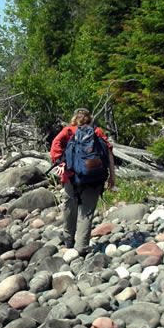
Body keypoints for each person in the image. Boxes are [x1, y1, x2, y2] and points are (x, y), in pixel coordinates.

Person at [50, 108, 115, 255]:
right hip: (94, 178)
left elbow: (55, 145)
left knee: (69, 209)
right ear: (90, 118)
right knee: (86, 212)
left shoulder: (68, 131)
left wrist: (60, 163)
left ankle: (68, 241)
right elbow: (109, 153)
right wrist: (112, 177)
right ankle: (81, 247)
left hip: (70, 177)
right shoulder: (97, 131)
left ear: (74, 118)